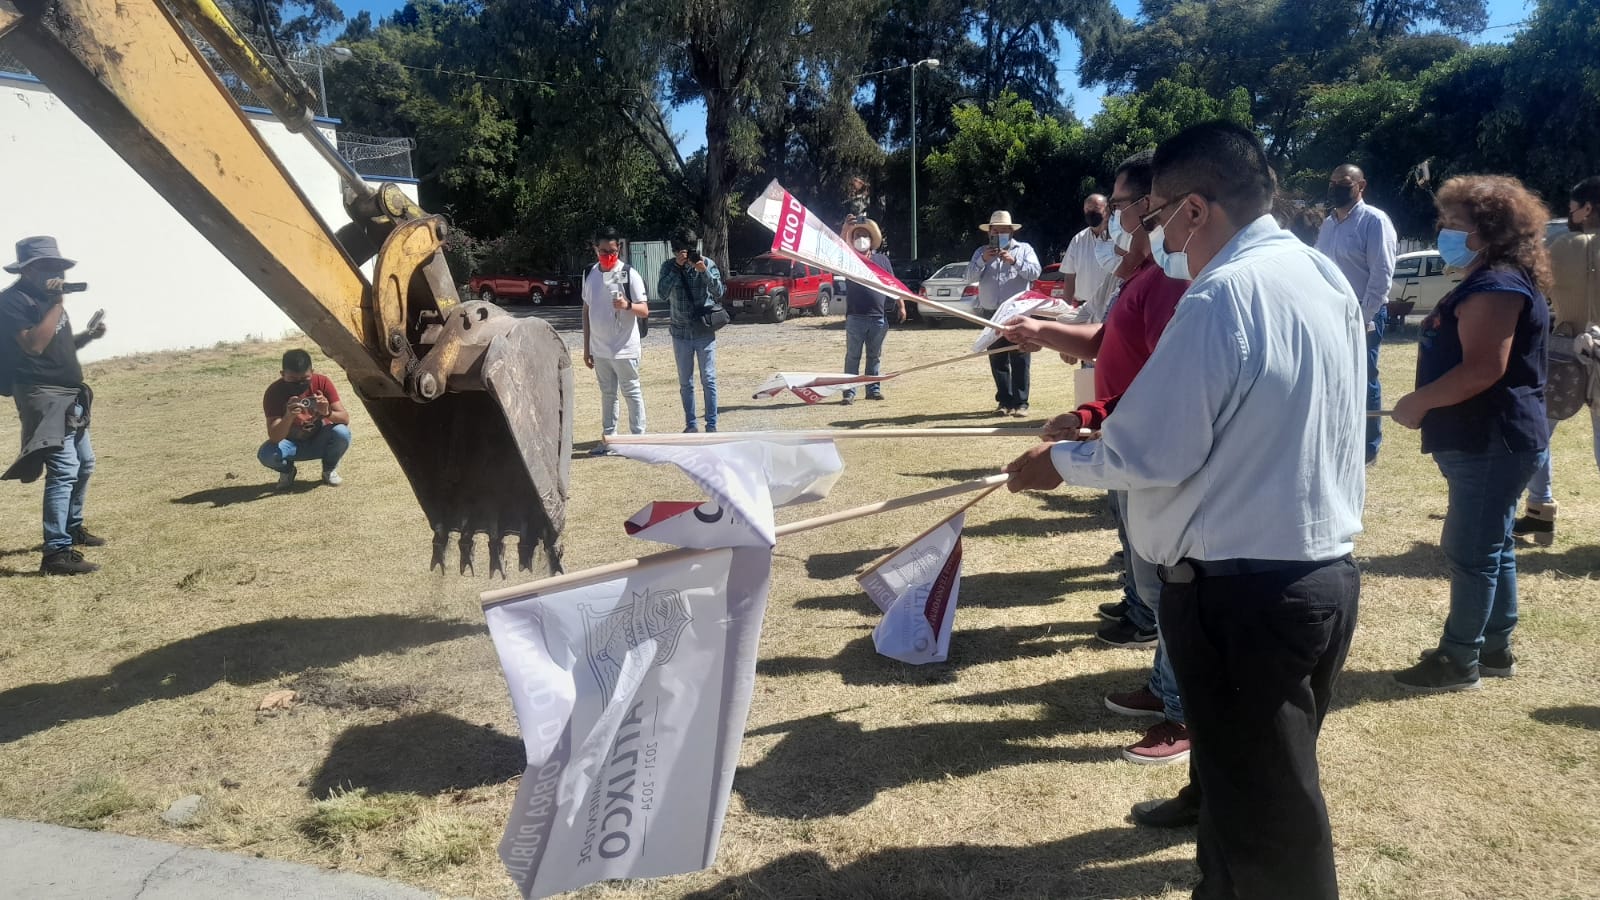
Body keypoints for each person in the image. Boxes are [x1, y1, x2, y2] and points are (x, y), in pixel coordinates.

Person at [1002, 122, 1364, 899]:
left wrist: (1058, 465)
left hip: (1244, 593)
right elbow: (1244, 412)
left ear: (1196, 210)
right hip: (1315, 577)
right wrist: (1104, 420)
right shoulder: (1318, 275)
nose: (1153, 235)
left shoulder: (1223, 294)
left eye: (1157, 217)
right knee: (1250, 795)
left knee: (1270, 821)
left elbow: (1154, 454)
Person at [1000, 150, 1192, 767]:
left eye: (1126, 206)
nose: (1111, 218)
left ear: (1153, 209)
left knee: (1168, 588)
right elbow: (1110, 342)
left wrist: (1080, 436)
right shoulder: (1141, 274)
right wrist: (1046, 340)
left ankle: (1184, 709)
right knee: (1150, 579)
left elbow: (1163, 386)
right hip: (1116, 429)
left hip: (1143, 445)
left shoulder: (1172, 281)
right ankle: (1167, 686)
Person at [1390, 176, 1553, 693]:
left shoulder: (1498, 285)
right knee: (1494, 545)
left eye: (1454, 222)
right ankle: (1493, 647)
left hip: (1491, 438)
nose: (1444, 230)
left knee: (1471, 550)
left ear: (1487, 229)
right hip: (1490, 438)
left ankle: (1458, 659)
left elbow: (1483, 369)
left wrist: (1420, 401)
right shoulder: (1492, 278)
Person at [0, 236, 108, 575]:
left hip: (69, 394)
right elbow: (33, 345)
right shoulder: (12, 302)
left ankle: (72, 528)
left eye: (59, 266)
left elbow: (56, 346)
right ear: (30, 269)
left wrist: (88, 337)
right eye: (51, 267)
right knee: (64, 468)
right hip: (42, 395)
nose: (57, 272)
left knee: (84, 463)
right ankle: (56, 553)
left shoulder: (47, 300)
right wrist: (58, 303)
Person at [1513, 175, 1600, 544]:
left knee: (1536, 434)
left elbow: (1532, 285)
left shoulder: (1562, 247)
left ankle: (1540, 509)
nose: (1571, 213)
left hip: (1564, 354)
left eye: (1573, 207)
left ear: (1588, 208)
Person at [1316, 163, 1398, 465]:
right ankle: (1339, 440)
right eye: (1333, 181)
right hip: (1330, 315)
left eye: (1344, 182)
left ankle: (1368, 448)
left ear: (1361, 185)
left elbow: (1381, 276)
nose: (1336, 187)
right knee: (1334, 379)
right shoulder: (1328, 226)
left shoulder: (1374, 222)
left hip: (1365, 317)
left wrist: (1364, 317)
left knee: (1364, 378)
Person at [964, 210, 1041, 417]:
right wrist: (982, 260)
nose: (999, 234)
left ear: (1011, 232)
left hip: (1018, 312)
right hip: (991, 312)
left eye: (1004, 231)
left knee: (1020, 355)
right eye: (995, 231)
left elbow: (1035, 273)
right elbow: (968, 277)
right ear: (989, 232)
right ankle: (1004, 402)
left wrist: (1014, 261)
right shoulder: (981, 252)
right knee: (997, 358)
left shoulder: (1024, 250)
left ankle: (1021, 402)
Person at [581, 227, 649, 455]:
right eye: (603, 251)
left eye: (612, 251)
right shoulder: (590, 274)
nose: (608, 255)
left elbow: (645, 310)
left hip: (625, 349)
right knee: (608, 395)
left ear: (618, 248)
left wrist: (627, 306)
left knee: (631, 392)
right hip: (600, 350)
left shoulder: (629, 274)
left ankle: (638, 440)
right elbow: (586, 309)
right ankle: (609, 439)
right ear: (595, 249)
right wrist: (587, 347)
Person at [658, 228, 725, 433]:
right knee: (686, 382)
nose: (685, 255)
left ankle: (711, 426)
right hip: (680, 333)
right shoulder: (669, 267)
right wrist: (677, 268)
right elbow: (661, 293)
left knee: (709, 378)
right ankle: (691, 425)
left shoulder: (707, 264)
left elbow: (719, 292)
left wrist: (703, 271)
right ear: (675, 251)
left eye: (689, 251)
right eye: (680, 252)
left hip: (704, 332)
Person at [259, 349, 352, 489]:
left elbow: (344, 419)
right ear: (283, 374)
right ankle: (287, 472)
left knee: (342, 432)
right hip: (291, 445)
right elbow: (274, 437)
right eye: (293, 379)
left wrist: (327, 412)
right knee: (266, 454)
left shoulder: (322, 382)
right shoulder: (274, 392)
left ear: (312, 372)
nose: (299, 384)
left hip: (319, 440)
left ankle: (329, 469)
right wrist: (288, 416)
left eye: (304, 379)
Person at [840, 219, 903, 404]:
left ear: (871, 238)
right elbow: (839, 248)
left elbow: (893, 283)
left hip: (878, 318)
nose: (861, 238)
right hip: (855, 317)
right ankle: (849, 392)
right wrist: (845, 228)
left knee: (874, 356)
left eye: (864, 235)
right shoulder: (849, 258)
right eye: (857, 235)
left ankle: (873, 389)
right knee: (853, 356)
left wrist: (901, 305)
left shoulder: (882, 260)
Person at [1060, 194, 1117, 322]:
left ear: (1107, 209)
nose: (1090, 213)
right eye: (1087, 209)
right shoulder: (1078, 240)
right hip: (1082, 307)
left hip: (1110, 307)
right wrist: (1066, 307)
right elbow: (1070, 276)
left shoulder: (1118, 238)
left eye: (1095, 209)